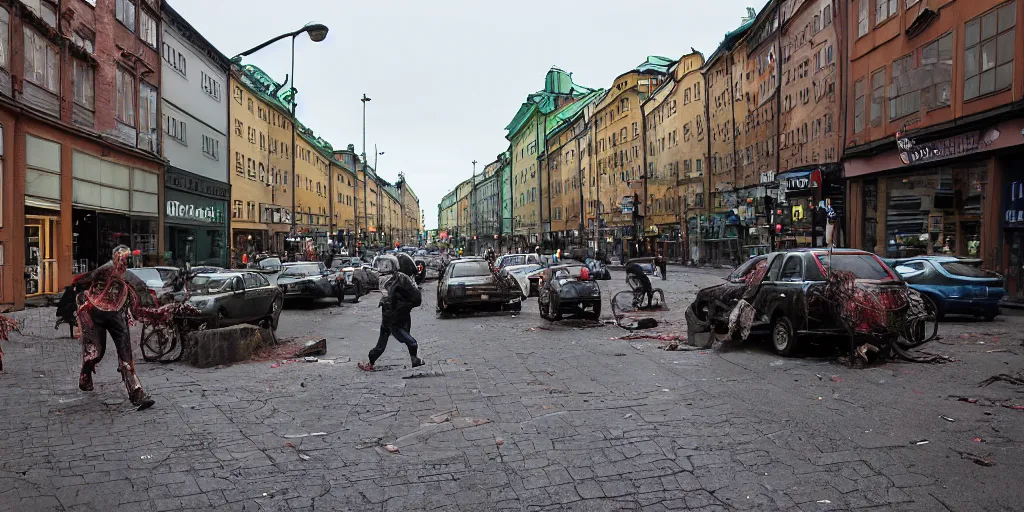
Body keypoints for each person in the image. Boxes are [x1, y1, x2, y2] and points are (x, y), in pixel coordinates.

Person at [74, 246, 157, 410]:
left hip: (117, 315)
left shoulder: (128, 275)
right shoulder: (105, 269)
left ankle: (137, 393)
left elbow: (141, 289)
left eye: (126, 258)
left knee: (126, 355)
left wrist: (153, 308)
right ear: (115, 258)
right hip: (95, 313)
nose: (124, 262)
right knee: (96, 352)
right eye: (121, 258)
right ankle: (86, 373)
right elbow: (81, 281)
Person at [358, 258, 425, 371]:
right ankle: (414, 359)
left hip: (392, 317)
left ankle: (371, 362)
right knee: (404, 341)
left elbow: (391, 297)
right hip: (394, 317)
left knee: (385, 343)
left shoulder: (397, 279)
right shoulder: (399, 279)